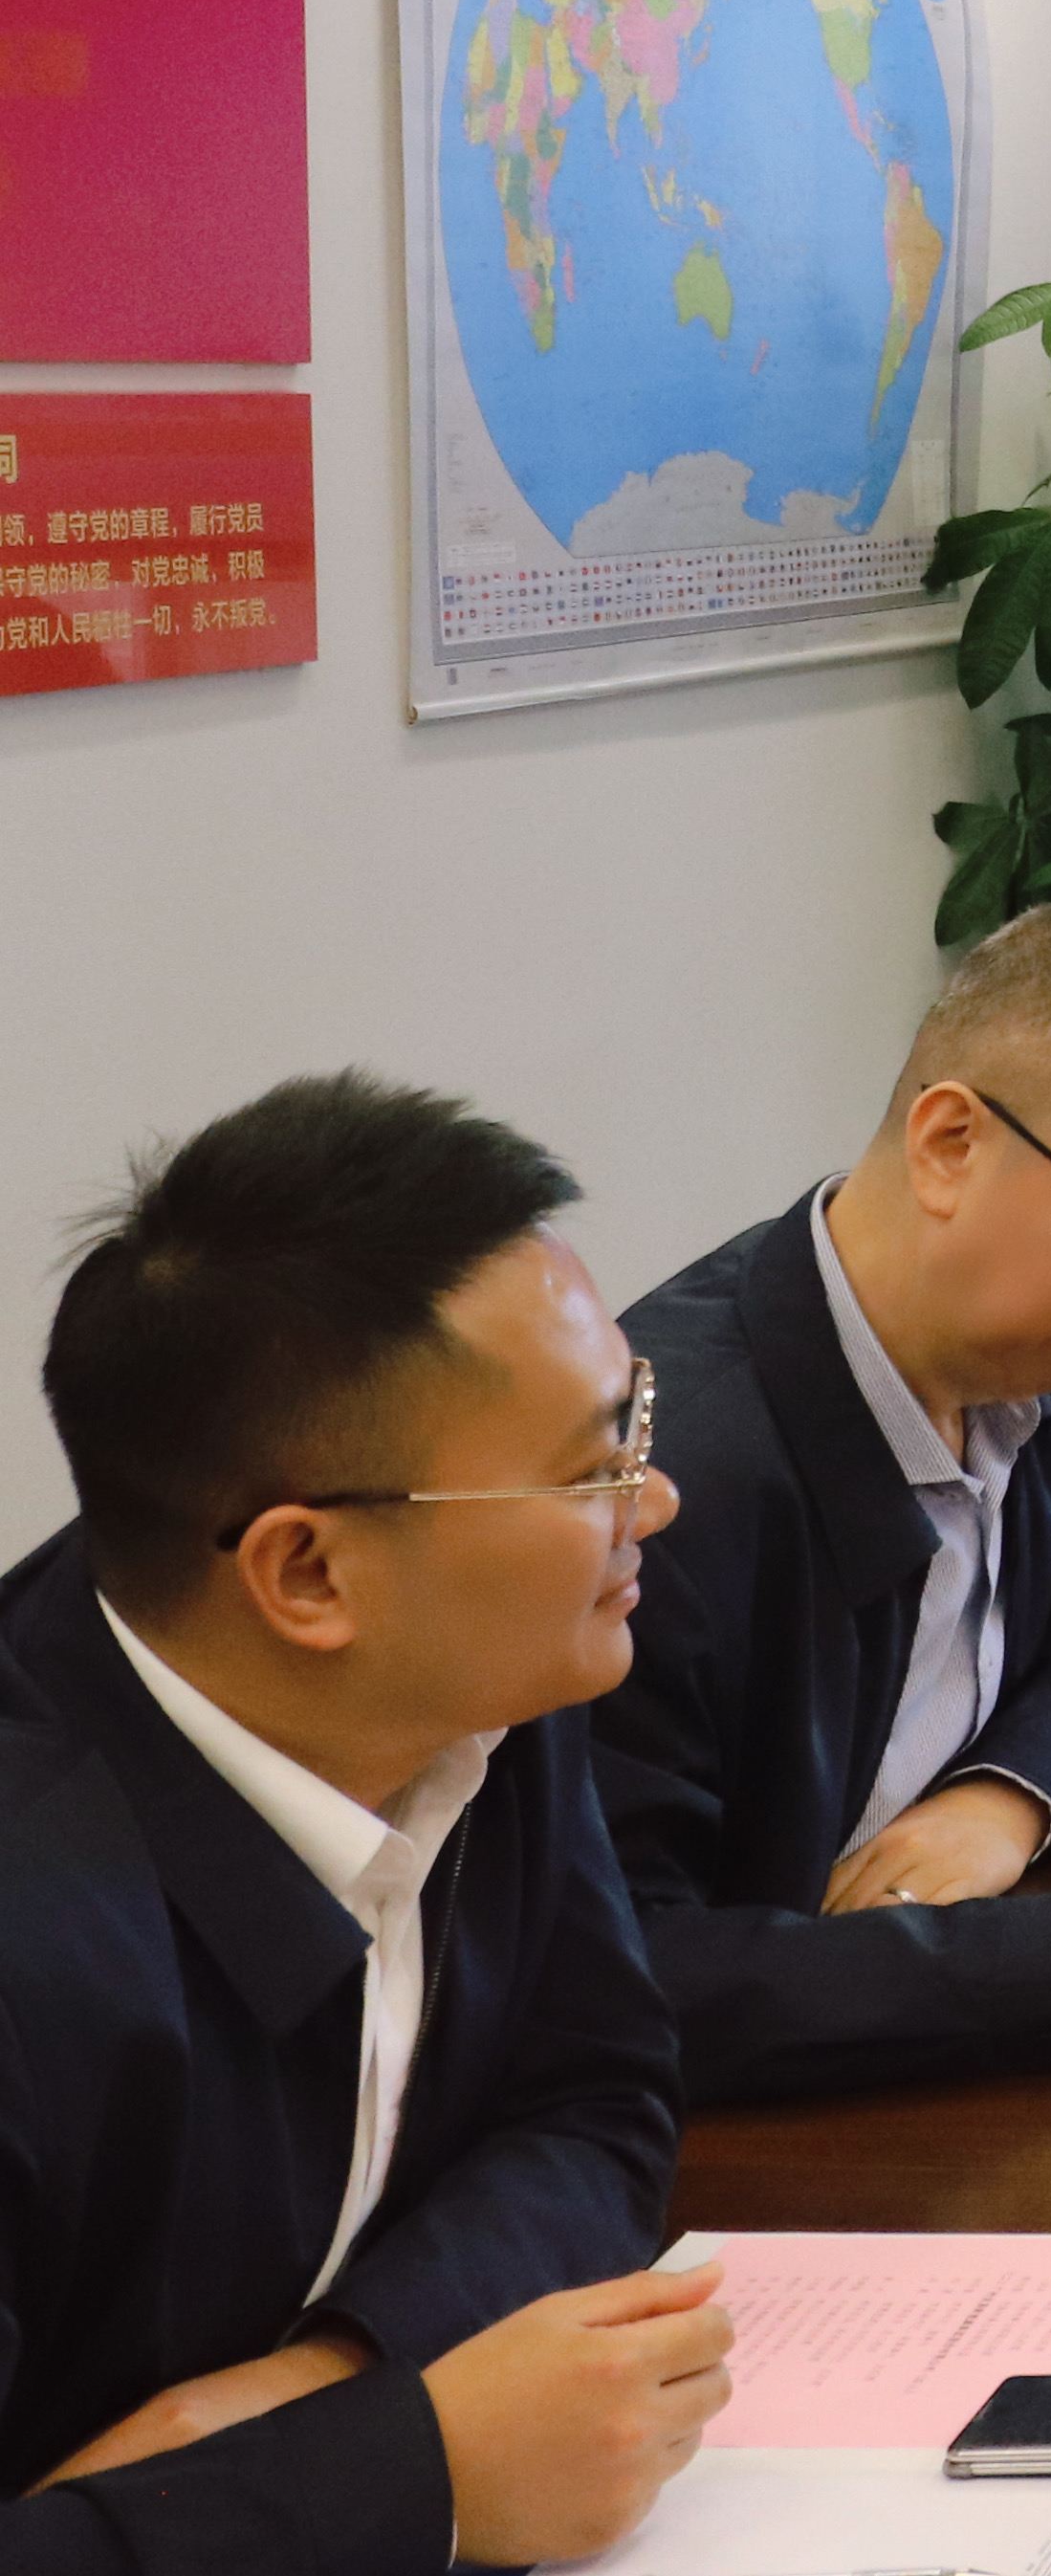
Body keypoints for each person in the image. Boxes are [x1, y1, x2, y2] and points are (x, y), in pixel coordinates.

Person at [1, 1077, 730, 2569]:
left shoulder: (476, 1674)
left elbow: (594, 2093)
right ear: (309, 1576)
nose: (651, 1499)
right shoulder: (36, 1932)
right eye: (590, 1467)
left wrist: (330, 2385)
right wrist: (416, 2472)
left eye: (634, 1421)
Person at [601, 900, 1051, 2104]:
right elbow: (621, 1978)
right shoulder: (664, 1484)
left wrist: (1002, 1802)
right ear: (948, 1144)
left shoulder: (1010, 1364)